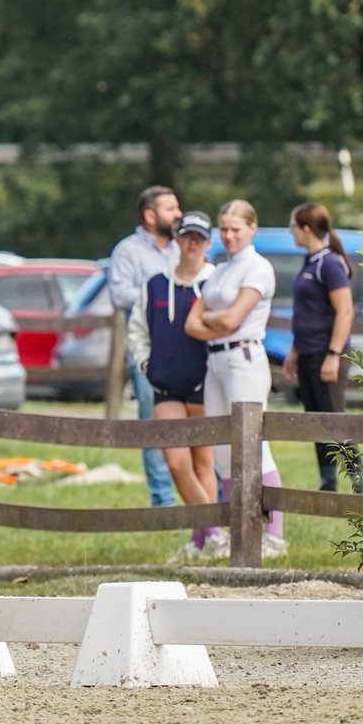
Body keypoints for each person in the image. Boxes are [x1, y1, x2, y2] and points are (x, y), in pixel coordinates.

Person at [184, 199, 287, 558]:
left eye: (235, 229)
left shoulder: (257, 268)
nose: (228, 236)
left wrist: (214, 319)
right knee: (222, 448)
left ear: (251, 229)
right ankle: (236, 527)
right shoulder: (219, 271)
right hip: (215, 360)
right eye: (224, 229)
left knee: (254, 441)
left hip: (243, 356)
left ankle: (274, 532)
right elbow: (191, 323)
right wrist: (217, 319)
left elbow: (230, 321)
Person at [128, 210, 225, 560]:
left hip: (203, 383)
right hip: (166, 383)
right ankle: (214, 529)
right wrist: (146, 364)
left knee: (204, 462)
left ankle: (200, 540)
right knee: (175, 462)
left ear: (208, 243)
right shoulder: (154, 283)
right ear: (178, 239)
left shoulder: (216, 282)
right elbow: (138, 330)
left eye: (200, 238)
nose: (193, 243)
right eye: (187, 236)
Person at [282, 202, 363, 492]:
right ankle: (327, 480)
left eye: (292, 226)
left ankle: (359, 480)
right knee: (315, 419)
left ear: (305, 229)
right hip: (306, 352)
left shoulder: (329, 262)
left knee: (333, 418)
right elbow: (307, 313)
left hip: (325, 353)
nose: (291, 232)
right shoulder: (310, 261)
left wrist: (333, 355)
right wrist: (294, 352)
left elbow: (344, 311)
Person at [108, 185, 183, 506]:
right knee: (153, 421)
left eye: (177, 207)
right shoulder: (127, 251)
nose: (178, 214)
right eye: (170, 208)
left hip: (187, 347)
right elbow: (119, 294)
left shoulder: (185, 246)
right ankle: (163, 500)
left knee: (197, 420)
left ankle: (209, 497)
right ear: (150, 216)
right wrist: (160, 296)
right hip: (148, 349)